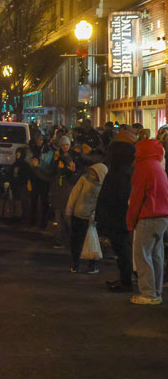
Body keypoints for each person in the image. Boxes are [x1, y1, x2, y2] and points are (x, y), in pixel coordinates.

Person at [126, 139, 168, 305]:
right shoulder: (158, 167)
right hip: (162, 217)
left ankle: (148, 293)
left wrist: (130, 221)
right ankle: (156, 291)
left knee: (142, 255)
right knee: (156, 255)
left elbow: (137, 198)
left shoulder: (143, 167)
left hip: (148, 216)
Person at [95, 127, 136, 292]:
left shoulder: (121, 171)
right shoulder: (124, 169)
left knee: (123, 248)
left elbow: (117, 196)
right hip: (118, 214)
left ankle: (126, 281)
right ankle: (124, 279)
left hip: (118, 215)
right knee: (122, 248)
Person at [65, 163, 107, 274]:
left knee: (91, 241)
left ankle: (91, 266)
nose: (91, 175)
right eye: (91, 172)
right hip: (79, 215)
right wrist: (69, 209)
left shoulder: (103, 186)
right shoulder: (84, 179)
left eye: (94, 173)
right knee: (77, 241)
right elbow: (74, 194)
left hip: (92, 218)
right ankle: (76, 265)